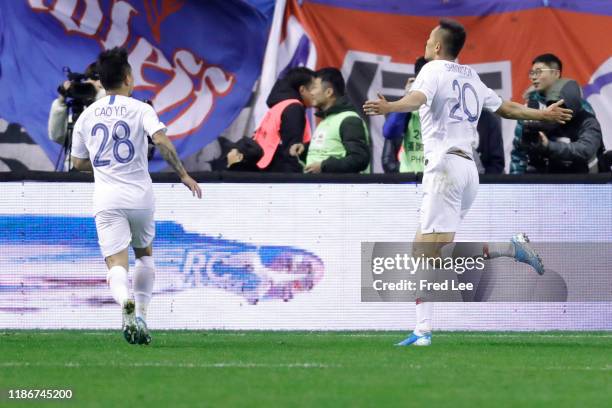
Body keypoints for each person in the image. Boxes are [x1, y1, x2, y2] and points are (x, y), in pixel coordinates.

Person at [364, 19, 572, 346]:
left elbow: (417, 99)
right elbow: (506, 109)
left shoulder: (432, 70)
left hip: (445, 167)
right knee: (423, 249)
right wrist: (543, 115)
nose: (426, 44)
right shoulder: (471, 75)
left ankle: (509, 248)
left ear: (436, 47)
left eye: (429, 39)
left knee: (433, 251)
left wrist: (390, 105)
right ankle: (422, 331)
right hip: (467, 169)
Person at [70, 47, 202, 345]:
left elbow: (77, 163)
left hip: (107, 199)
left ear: (101, 81)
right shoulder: (141, 108)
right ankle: (141, 313)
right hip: (140, 197)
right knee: (144, 255)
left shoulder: (86, 116)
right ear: (129, 77)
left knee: (116, 264)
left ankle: (125, 302)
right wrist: (182, 174)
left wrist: (103, 163)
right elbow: (161, 141)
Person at [510, 54, 603, 174]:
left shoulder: (582, 107)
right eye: (532, 73)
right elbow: (519, 153)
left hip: (580, 178)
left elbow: (587, 148)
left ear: (556, 73)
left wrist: (548, 145)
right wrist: (516, 183)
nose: (533, 77)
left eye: (538, 72)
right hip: (541, 182)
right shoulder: (529, 108)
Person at [291, 68, 370, 173]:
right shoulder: (326, 120)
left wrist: (323, 166)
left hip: (340, 189)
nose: (311, 92)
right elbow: (326, 151)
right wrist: (303, 150)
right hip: (321, 187)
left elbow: (359, 159)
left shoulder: (349, 120)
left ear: (329, 92)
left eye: (314, 87)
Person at [253, 67, 315, 172]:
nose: (316, 94)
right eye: (313, 89)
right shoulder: (294, 108)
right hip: (279, 175)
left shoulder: (279, 105)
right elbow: (292, 152)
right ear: (302, 90)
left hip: (264, 168)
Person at [48, 62, 105, 170]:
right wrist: (61, 102)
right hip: (75, 174)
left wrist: (100, 95)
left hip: (105, 175)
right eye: (87, 85)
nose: (90, 90)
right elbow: (56, 135)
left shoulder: (118, 107)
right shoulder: (79, 114)